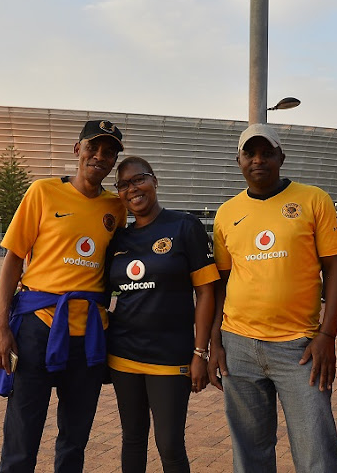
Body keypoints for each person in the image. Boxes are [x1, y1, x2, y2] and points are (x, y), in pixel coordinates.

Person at [207, 124, 337, 473]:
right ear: (238, 160)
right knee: (250, 455)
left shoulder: (313, 199)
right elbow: (221, 284)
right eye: (249, 154)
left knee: (317, 453)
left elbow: (336, 270)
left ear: (281, 157)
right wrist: (215, 342)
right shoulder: (226, 213)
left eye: (267, 153)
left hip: (300, 349)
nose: (258, 160)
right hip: (238, 346)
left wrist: (327, 335)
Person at [0, 119, 127, 473]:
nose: (100, 156)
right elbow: (13, 260)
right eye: (93, 147)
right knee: (23, 430)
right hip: (38, 327)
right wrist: (1, 328)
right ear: (77, 149)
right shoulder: (43, 192)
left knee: (75, 436)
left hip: (91, 335)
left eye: (109, 152)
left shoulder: (116, 208)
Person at [105, 156, 218, 473]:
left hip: (171, 356)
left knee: (169, 444)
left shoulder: (184, 226)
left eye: (138, 179)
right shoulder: (119, 239)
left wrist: (200, 352)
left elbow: (206, 291)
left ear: (154, 180)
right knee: (133, 440)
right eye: (124, 185)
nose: (132, 189)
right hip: (123, 354)